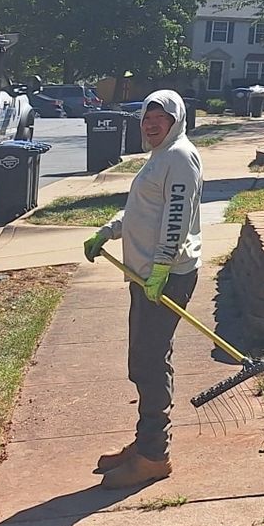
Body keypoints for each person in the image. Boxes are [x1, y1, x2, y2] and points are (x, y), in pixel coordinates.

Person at [82, 89, 204, 488]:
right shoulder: (161, 157)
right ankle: (145, 442)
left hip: (164, 277)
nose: (151, 124)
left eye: (160, 117)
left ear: (176, 119)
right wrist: (110, 230)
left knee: (148, 364)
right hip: (145, 276)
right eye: (146, 118)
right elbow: (142, 209)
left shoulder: (180, 157)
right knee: (145, 360)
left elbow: (175, 219)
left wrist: (162, 269)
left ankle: (154, 455)